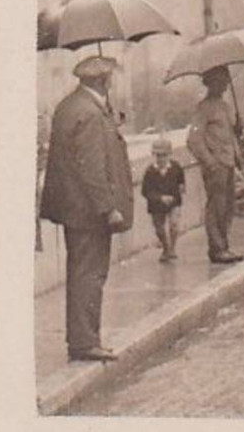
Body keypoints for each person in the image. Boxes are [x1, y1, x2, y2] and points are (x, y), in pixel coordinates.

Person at [38, 55, 134, 362]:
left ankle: (82, 339)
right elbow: (92, 167)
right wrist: (108, 209)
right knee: (89, 275)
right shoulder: (90, 113)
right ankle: (85, 342)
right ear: (102, 81)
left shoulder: (74, 106)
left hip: (75, 209)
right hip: (88, 212)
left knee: (82, 272)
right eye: (111, 79)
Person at [186, 65, 244, 265]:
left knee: (228, 206)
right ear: (211, 83)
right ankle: (217, 248)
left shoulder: (224, 106)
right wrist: (209, 162)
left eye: (226, 81)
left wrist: (238, 133)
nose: (225, 85)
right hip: (216, 165)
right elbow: (193, 139)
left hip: (228, 163)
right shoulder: (203, 108)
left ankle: (224, 245)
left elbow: (229, 135)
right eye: (221, 81)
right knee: (216, 207)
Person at [140, 135, 186, 263]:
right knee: (159, 228)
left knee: (174, 224)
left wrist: (181, 188)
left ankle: (172, 248)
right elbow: (145, 191)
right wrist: (160, 198)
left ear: (170, 154)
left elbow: (181, 180)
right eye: (158, 155)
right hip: (156, 204)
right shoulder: (150, 171)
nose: (161, 159)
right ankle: (165, 247)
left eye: (164, 155)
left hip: (173, 200)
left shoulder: (175, 167)